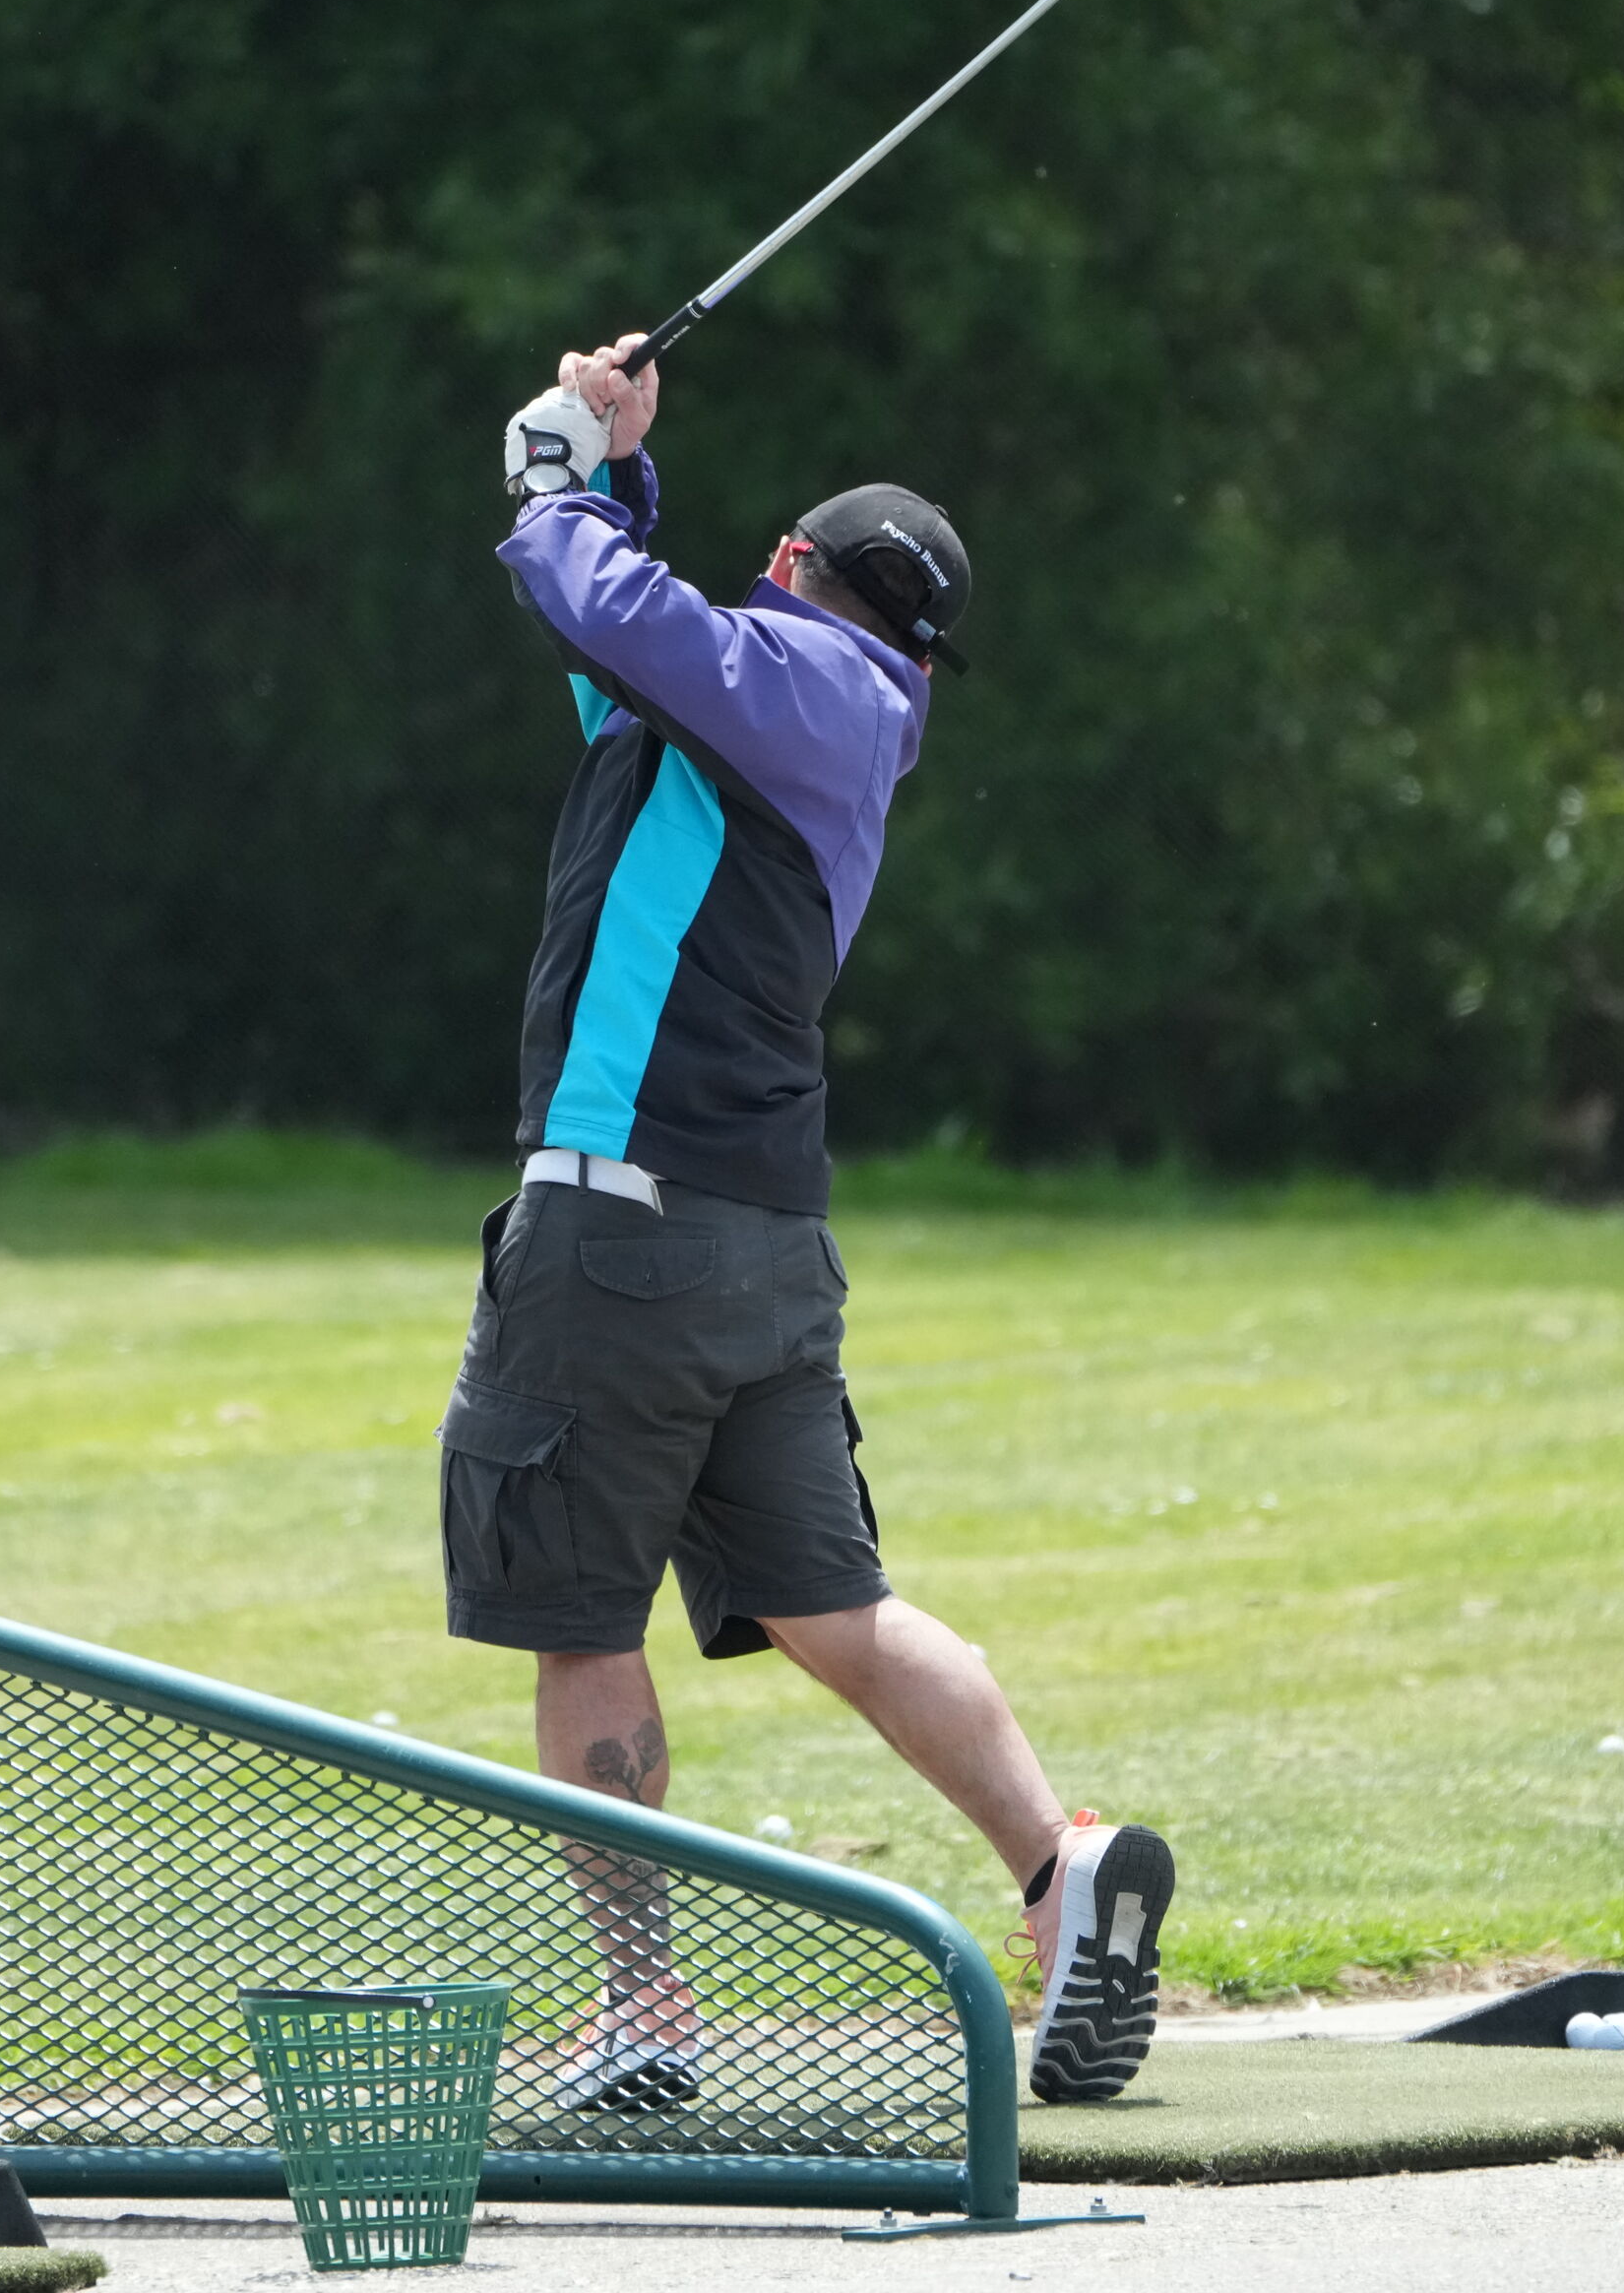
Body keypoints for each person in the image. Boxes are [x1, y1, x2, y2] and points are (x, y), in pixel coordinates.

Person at [442, 332, 1170, 2114]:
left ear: (791, 574)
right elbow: (617, 652)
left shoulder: (792, 682)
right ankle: (1069, 1874)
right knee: (833, 1609)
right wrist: (615, 473)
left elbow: (600, 604)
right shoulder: (810, 706)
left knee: (581, 1617)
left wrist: (551, 462)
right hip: (760, 1250)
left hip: (623, 1224)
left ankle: (642, 2018)